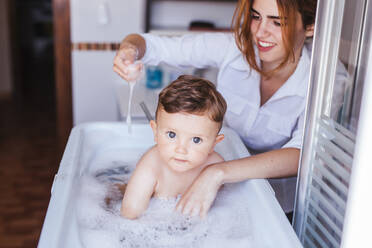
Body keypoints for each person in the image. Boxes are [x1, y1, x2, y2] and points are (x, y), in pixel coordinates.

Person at [114, 0, 318, 218]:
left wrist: (217, 173)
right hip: (207, 180)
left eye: (278, 23)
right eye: (256, 17)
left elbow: (303, 154)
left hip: (277, 204)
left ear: (310, 26)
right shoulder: (234, 47)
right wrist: (130, 50)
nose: (260, 32)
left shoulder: (324, 80)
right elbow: (155, 46)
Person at [121, 75, 227, 219]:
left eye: (196, 140)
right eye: (171, 135)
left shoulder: (216, 165)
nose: (181, 150)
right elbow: (130, 213)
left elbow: (224, 204)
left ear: (214, 144)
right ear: (155, 132)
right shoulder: (152, 165)